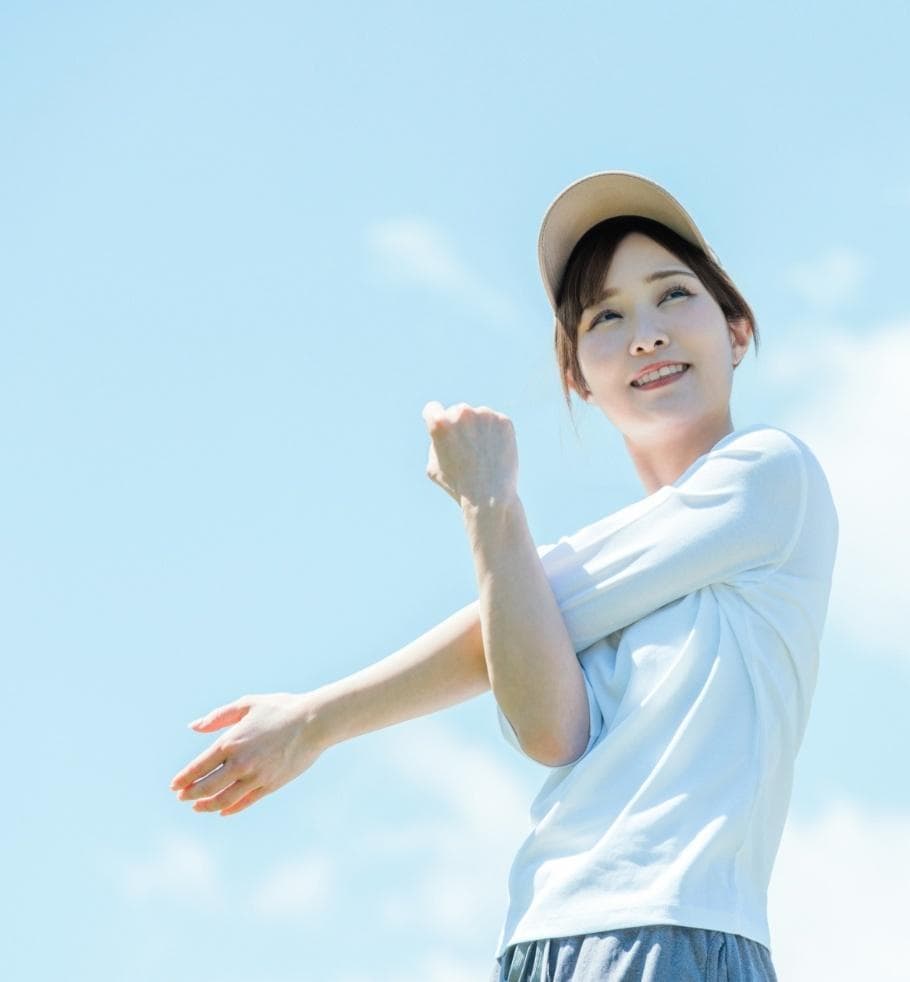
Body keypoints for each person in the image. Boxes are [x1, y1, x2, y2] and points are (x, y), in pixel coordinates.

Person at [168, 170, 840, 981]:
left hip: (672, 930)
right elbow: (546, 728)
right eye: (607, 316)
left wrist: (316, 718)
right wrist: (490, 516)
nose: (646, 333)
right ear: (576, 379)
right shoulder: (564, 575)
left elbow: (498, 630)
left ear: (737, 330)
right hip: (542, 940)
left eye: (673, 296)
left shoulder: (769, 475)